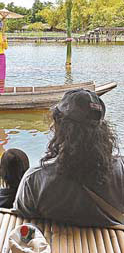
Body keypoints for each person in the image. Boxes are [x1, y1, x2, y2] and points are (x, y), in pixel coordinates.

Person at [14, 89, 124, 227]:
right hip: (111, 247)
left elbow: (21, 223)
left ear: (59, 126)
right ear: (103, 130)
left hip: (54, 246)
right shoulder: (121, 170)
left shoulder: (35, 180)